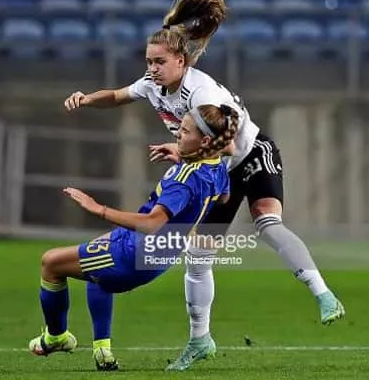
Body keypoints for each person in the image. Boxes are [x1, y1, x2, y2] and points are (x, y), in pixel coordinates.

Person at [63, 0, 345, 372]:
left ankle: (324, 294)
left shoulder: (202, 94)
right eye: (148, 61)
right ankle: (200, 340)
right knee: (198, 256)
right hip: (214, 169)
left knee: (267, 224)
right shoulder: (153, 86)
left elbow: (228, 145)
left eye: (159, 62)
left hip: (250, 155)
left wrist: (182, 152)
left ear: (181, 61)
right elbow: (118, 95)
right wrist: (86, 98)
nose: (151, 68)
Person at [28, 104, 237, 371]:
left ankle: (56, 337)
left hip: (135, 251)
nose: (177, 135)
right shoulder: (217, 168)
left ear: (205, 141)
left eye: (185, 131)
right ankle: (102, 350)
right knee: (94, 266)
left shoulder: (183, 178)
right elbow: (224, 197)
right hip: (163, 252)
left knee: (51, 263)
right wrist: (187, 164)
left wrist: (98, 209)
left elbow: (151, 224)